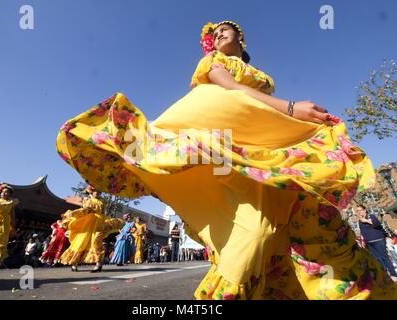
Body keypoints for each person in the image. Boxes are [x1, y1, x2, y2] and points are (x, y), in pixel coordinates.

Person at [56, 20, 397, 299]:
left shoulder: (253, 71)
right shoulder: (213, 64)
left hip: (253, 140)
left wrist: (290, 120)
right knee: (253, 232)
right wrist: (292, 108)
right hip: (223, 144)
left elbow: (252, 103)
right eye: (214, 33)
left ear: (241, 36)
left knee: (299, 221)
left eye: (225, 29)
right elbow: (231, 90)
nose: (217, 34)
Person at [60, 185, 124, 272]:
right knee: (81, 242)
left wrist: (109, 221)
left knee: (97, 242)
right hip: (88, 224)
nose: (97, 193)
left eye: (99, 192)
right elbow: (84, 210)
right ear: (91, 191)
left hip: (99, 224)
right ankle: (74, 263)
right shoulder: (87, 200)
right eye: (96, 191)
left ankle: (98, 264)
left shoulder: (103, 201)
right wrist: (75, 213)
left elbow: (103, 213)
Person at [357, 205, 397, 281]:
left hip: (378, 240)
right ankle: (385, 275)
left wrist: (366, 220)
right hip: (369, 243)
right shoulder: (360, 221)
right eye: (357, 211)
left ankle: (393, 275)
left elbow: (377, 223)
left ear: (365, 210)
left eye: (360, 210)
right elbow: (363, 232)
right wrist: (363, 241)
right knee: (378, 259)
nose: (359, 212)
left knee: (384, 258)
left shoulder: (371, 216)